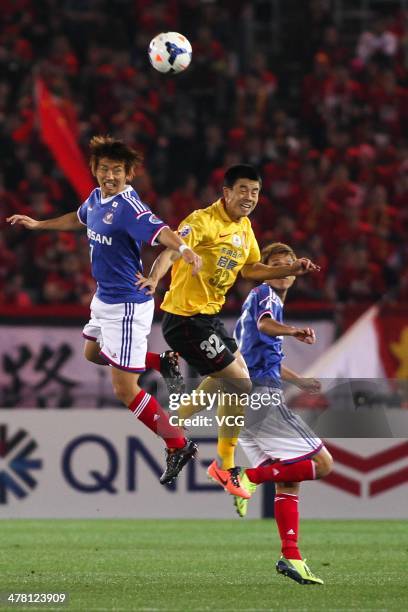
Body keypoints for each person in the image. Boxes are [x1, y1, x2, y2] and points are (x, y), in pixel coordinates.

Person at [7, 135, 202, 485]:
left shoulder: (129, 206)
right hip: (104, 299)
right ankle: (160, 362)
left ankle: (177, 442)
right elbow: (78, 218)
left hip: (127, 305)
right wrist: (39, 225)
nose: (109, 176)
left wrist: (185, 250)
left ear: (129, 175)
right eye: (104, 169)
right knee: (93, 352)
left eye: (117, 171)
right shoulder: (97, 198)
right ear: (95, 171)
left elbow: (162, 231)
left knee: (124, 389)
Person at [136, 164, 320, 498]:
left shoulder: (245, 230)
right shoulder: (203, 221)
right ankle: (222, 462)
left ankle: (179, 420)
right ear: (227, 192)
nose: (250, 197)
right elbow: (171, 249)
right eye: (243, 190)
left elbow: (251, 268)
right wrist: (153, 278)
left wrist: (292, 267)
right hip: (184, 318)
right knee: (238, 382)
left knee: (235, 379)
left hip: (210, 318)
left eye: (255, 191)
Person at [233, 242, 333, 585]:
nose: (285, 269)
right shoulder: (265, 294)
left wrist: (300, 381)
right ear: (266, 269)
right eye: (276, 264)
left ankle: (290, 556)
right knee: (323, 464)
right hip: (261, 397)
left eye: (289, 264)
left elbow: (262, 352)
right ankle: (248, 477)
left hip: (243, 397)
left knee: (289, 481)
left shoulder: (261, 303)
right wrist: (293, 330)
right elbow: (265, 326)